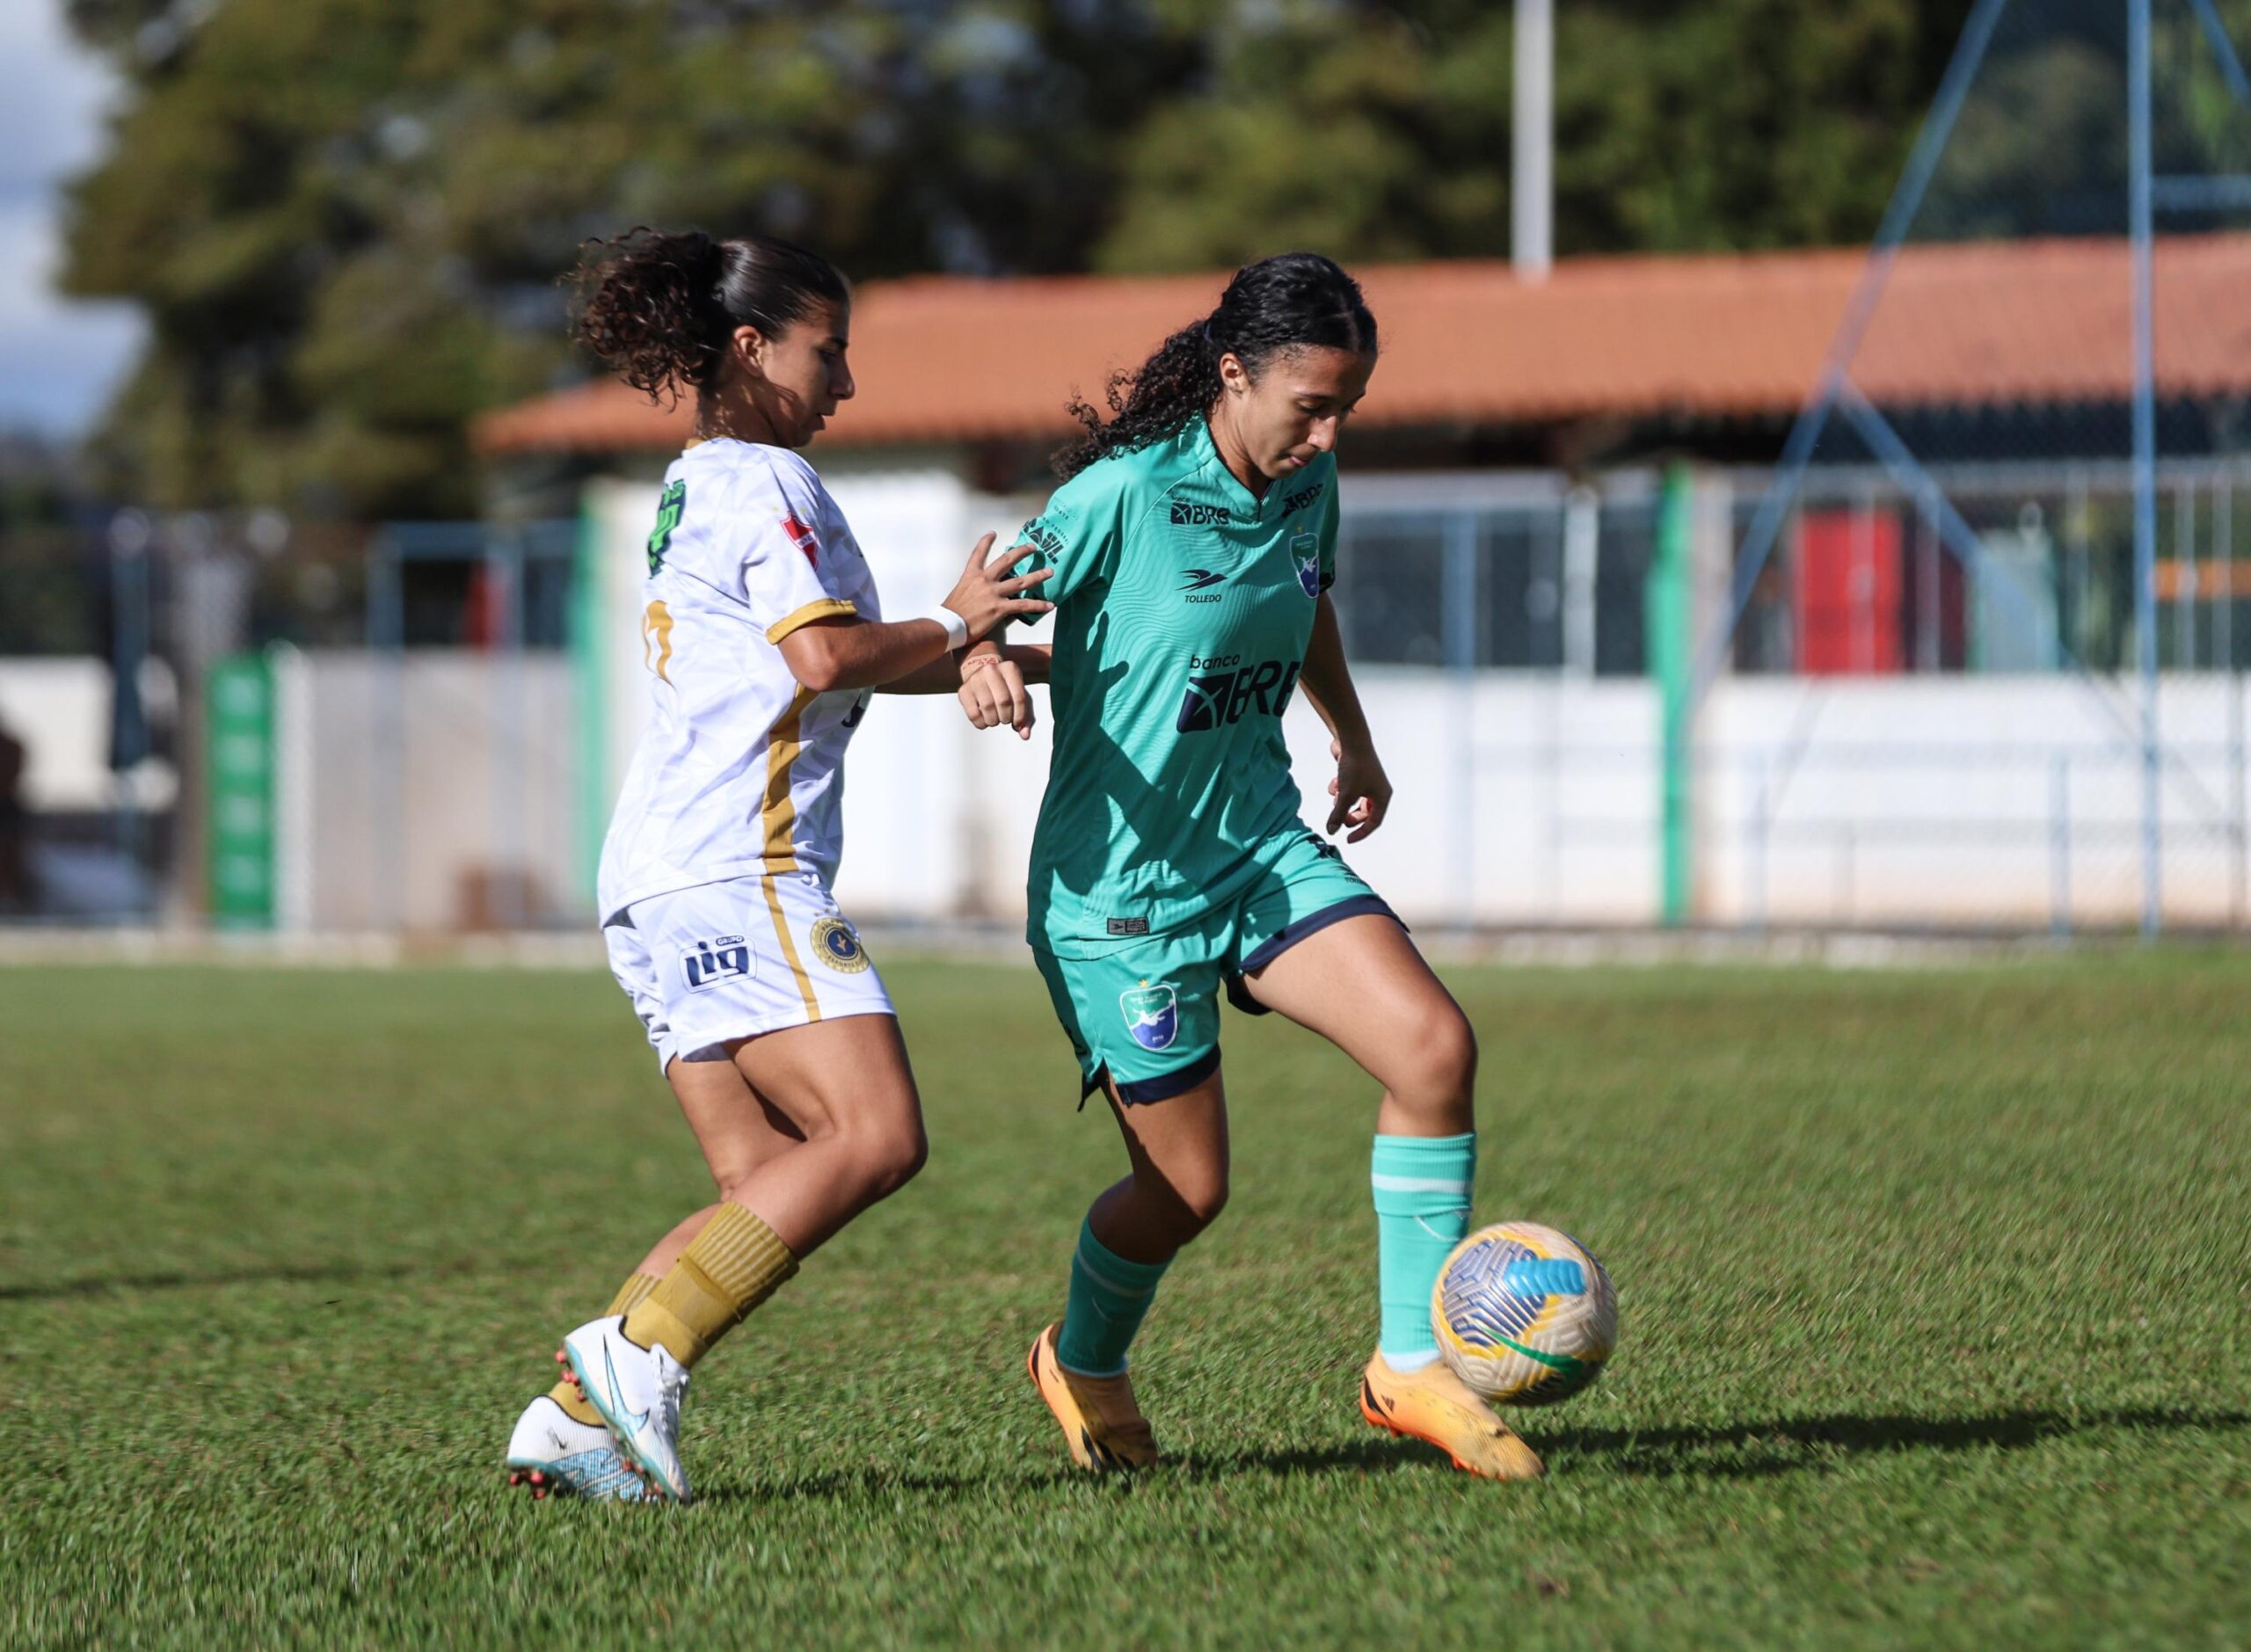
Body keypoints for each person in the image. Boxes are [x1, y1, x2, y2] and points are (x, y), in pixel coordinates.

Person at [958, 251, 1543, 1481]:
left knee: (1433, 1049)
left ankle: (1410, 1367)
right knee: (1185, 1192)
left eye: (1349, 411)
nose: (1328, 437)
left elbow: (1306, 599)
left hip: (1260, 848)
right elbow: (982, 604)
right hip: (1120, 898)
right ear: (1234, 374)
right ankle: (1083, 1358)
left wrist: (1355, 735)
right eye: (1311, 407)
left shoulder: (1302, 487)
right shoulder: (1120, 495)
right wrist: (976, 650)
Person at [504, 228, 1053, 1503]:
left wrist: (994, 656)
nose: (846, 384)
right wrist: (957, 623)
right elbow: (823, 661)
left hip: (654, 875)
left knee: (765, 1183)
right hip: (737, 867)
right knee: (874, 1135)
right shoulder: (772, 481)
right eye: (830, 351)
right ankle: (636, 1350)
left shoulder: (698, 483)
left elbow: (818, 658)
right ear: (751, 347)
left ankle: (582, 1415)